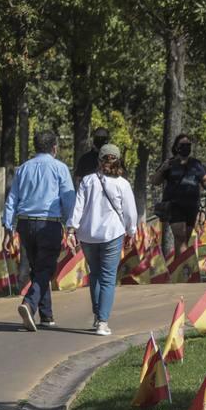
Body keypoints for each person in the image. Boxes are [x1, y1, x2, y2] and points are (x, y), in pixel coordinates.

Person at [3, 129, 76, 331]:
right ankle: (29, 302)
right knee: (47, 269)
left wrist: (8, 229)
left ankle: (46, 315)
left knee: (39, 269)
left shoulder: (23, 168)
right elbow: (69, 200)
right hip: (48, 223)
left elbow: (12, 199)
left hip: (25, 223)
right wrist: (71, 227)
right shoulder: (59, 168)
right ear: (54, 148)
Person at [68, 143, 138, 336]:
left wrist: (71, 229)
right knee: (107, 278)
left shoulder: (87, 181)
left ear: (99, 160)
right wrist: (131, 231)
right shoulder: (122, 184)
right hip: (112, 234)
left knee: (95, 275)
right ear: (118, 160)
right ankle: (103, 321)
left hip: (88, 235)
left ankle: (98, 316)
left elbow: (78, 207)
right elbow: (130, 212)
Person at [151, 133, 206, 259]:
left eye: (188, 145)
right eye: (183, 145)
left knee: (184, 240)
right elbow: (155, 181)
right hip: (174, 205)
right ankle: (182, 269)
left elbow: (205, 181)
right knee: (180, 236)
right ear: (176, 147)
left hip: (192, 206)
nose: (186, 147)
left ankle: (179, 268)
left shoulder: (196, 164)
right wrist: (162, 169)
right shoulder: (170, 163)